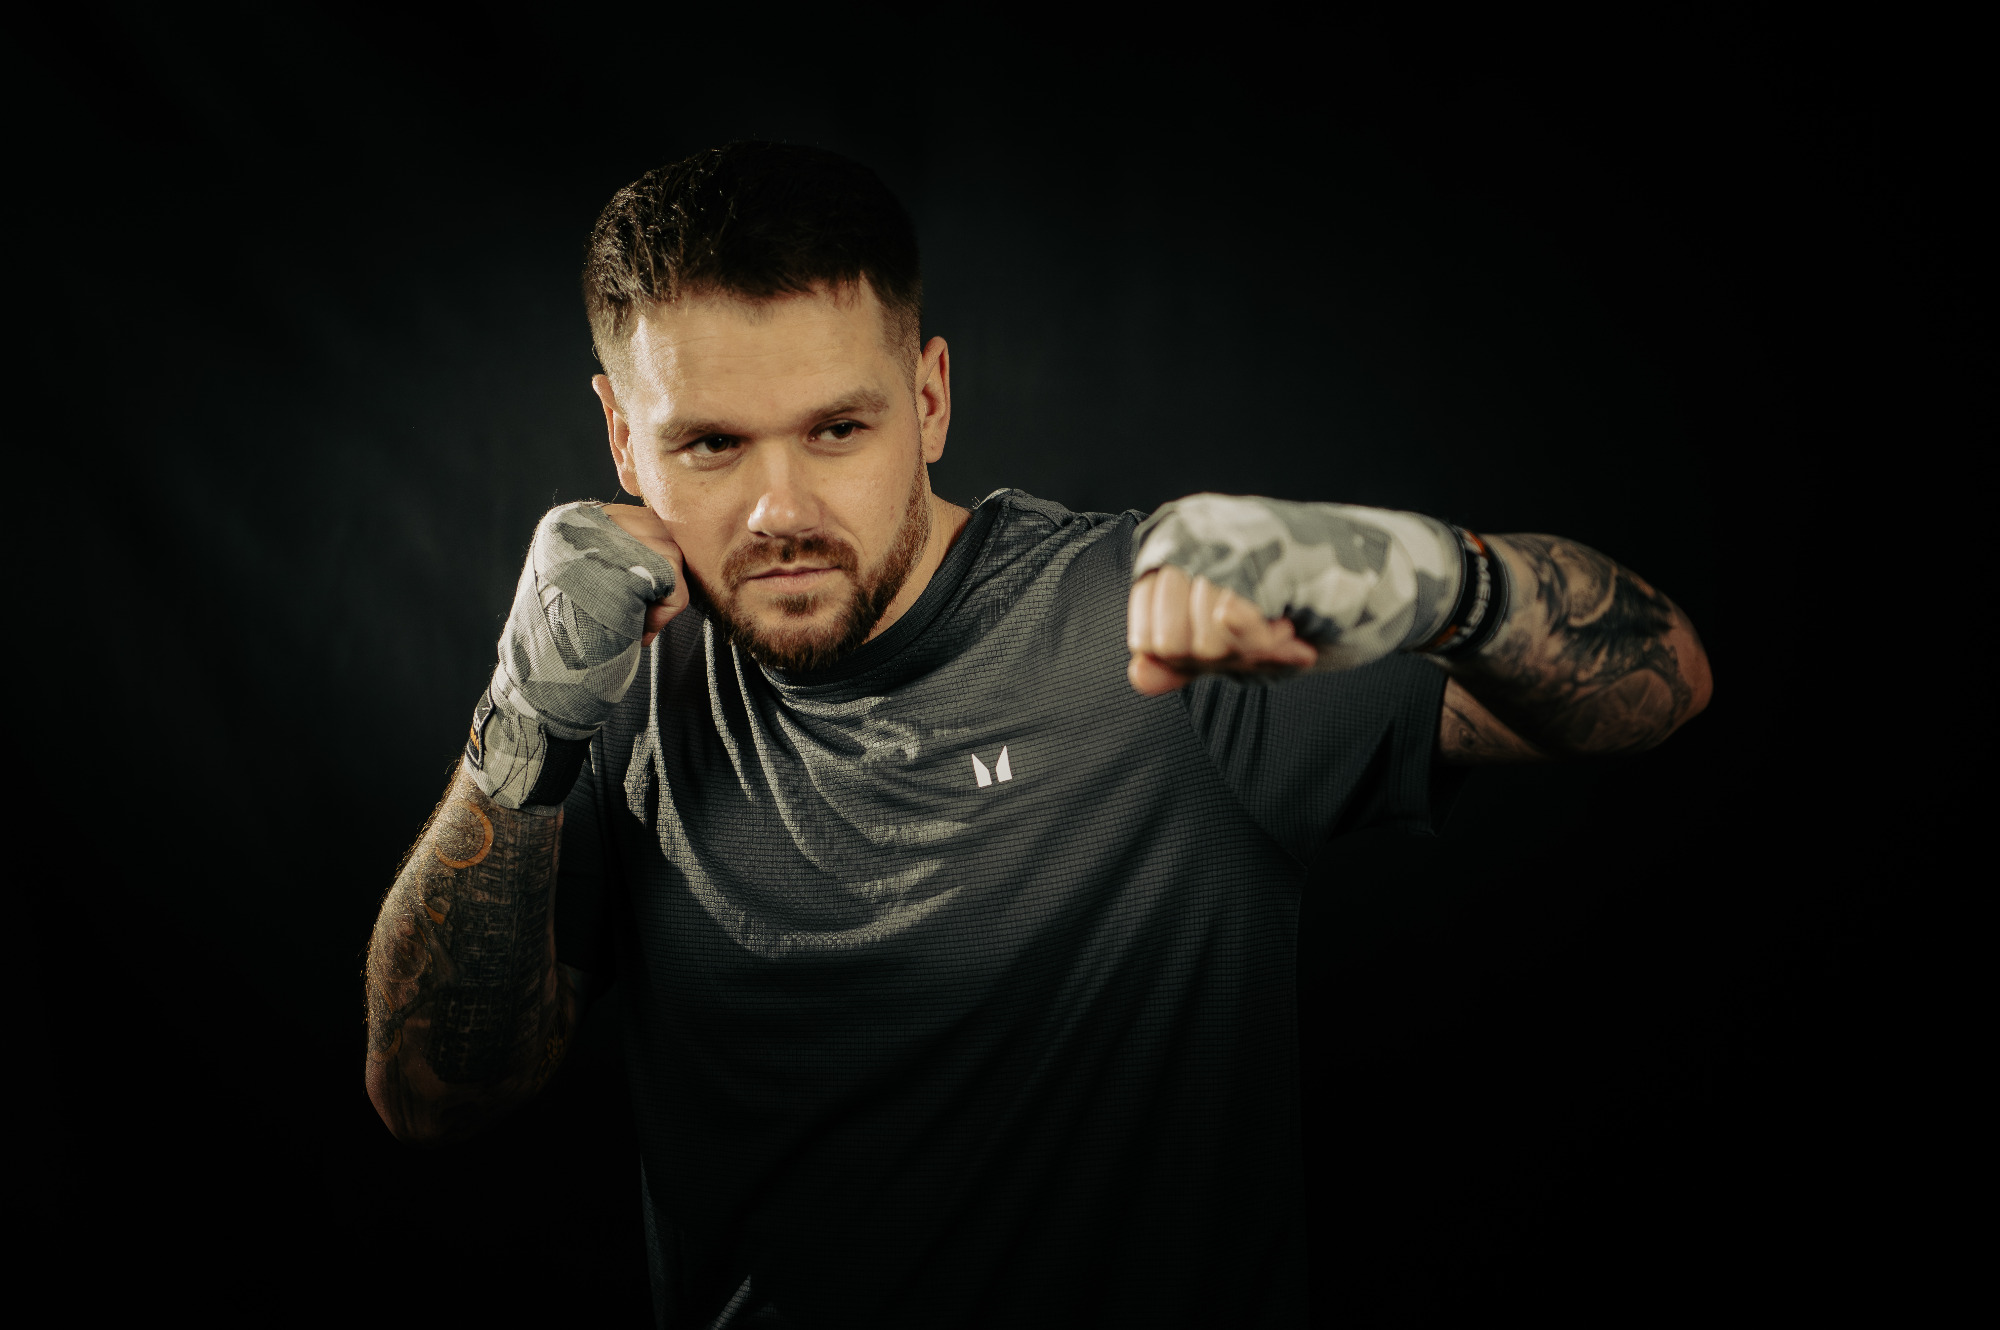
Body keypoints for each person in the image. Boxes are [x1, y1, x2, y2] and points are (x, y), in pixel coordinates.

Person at [363, 141, 1711, 1328]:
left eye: (838, 429)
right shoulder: (612, 680)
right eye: (711, 445)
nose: (780, 510)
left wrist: (1447, 582)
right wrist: (524, 722)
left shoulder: (1159, 626)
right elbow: (431, 1092)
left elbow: (1664, 683)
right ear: (621, 437)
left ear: (930, 400)